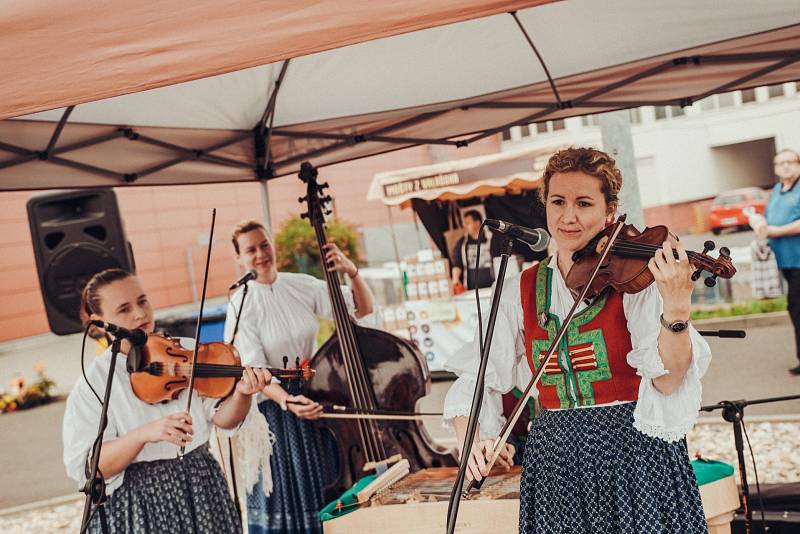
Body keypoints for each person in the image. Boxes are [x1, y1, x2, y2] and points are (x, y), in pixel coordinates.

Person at [443, 147, 711, 533]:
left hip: (633, 456)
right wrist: (471, 438)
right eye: (558, 202)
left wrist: (677, 308)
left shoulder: (635, 280)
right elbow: (479, 373)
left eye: (584, 203)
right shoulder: (523, 286)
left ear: (609, 211)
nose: (568, 216)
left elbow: (668, 380)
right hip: (556, 464)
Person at [63, 269, 271, 533]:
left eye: (142, 301)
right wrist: (143, 434)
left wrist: (242, 393)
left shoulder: (184, 350)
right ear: (99, 321)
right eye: (124, 309)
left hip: (201, 486)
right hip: (139, 502)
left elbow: (223, 418)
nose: (140, 314)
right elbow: (92, 468)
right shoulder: (94, 383)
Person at [224, 219, 374, 534]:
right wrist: (290, 401)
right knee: (291, 489)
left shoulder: (300, 284)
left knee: (330, 476)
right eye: (250, 250)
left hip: (317, 392)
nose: (261, 254)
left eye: (264, 245)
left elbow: (363, 308)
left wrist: (351, 272)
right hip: (276, 407)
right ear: (239, 259)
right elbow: (256, 371)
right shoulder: (241, 303)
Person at [755, 148, 800, 375]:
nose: (785, 166)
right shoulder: (776, 190)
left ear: (798, 165)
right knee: (794, 308)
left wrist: (776, 230)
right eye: (780, 163)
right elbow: (769, 217)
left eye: (790, 162)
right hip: (786, 262)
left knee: (796, 306)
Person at [450, 209, 500, 291]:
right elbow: (457, 263)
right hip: (470, 289)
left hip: (493, 287)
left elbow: (499, 261)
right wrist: (455, 279)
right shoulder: (462, 242)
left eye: (468, 223)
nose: (465, 226)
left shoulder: (492, 238)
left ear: (477, 223)